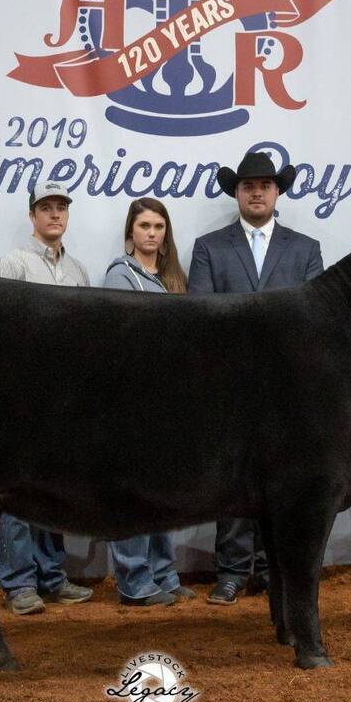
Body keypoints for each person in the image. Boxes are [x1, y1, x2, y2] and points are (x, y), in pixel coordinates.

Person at [187, 149, 324, 605]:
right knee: (232, 478)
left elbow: (314, 318)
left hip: (289, 387)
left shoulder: (306, 249)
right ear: (238, 193)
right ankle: (230, 570)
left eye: (265, 185)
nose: (257, 192)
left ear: (277, 191)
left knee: (285, 480)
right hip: (229, 384)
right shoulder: (210, 246)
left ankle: (272, 568)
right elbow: (201, 314)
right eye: (249, 185)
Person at [0, 181, 96, 615]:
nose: (55, 215)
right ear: (32, 215)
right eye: (46, 208)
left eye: (61, 208)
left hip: (63, 398)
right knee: (15, 491)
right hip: (20, 395)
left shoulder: (79, 271)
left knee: (52, 489)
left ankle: (52, 576)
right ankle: (18, 582)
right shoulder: (12, 265)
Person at [101, 197, 197, 607]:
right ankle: (134, 580)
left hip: (167, 401)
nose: (152, 233)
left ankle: (163, 573)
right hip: (132, 401)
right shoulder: (120, 276)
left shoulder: (173, 279)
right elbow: (121, 341)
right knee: (134, 493)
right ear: (130, 234)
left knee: (162, 492)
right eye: (144, 226)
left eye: (158, 226)